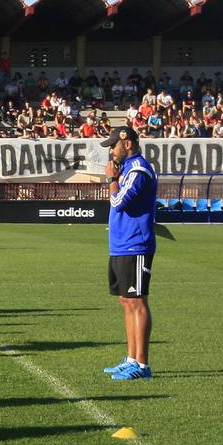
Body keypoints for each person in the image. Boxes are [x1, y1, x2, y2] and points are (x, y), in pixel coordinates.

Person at [101, 125, 158, 381]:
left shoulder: (138, 170)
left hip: (136, 244)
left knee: (137, 301)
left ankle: (143, 365)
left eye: (113, 146)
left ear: (128, 144)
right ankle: (131, 358)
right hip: (122, 244)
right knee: (126, 301)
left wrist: (112, 179)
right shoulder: (127, 170)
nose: (111, 151)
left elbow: (119, 202)